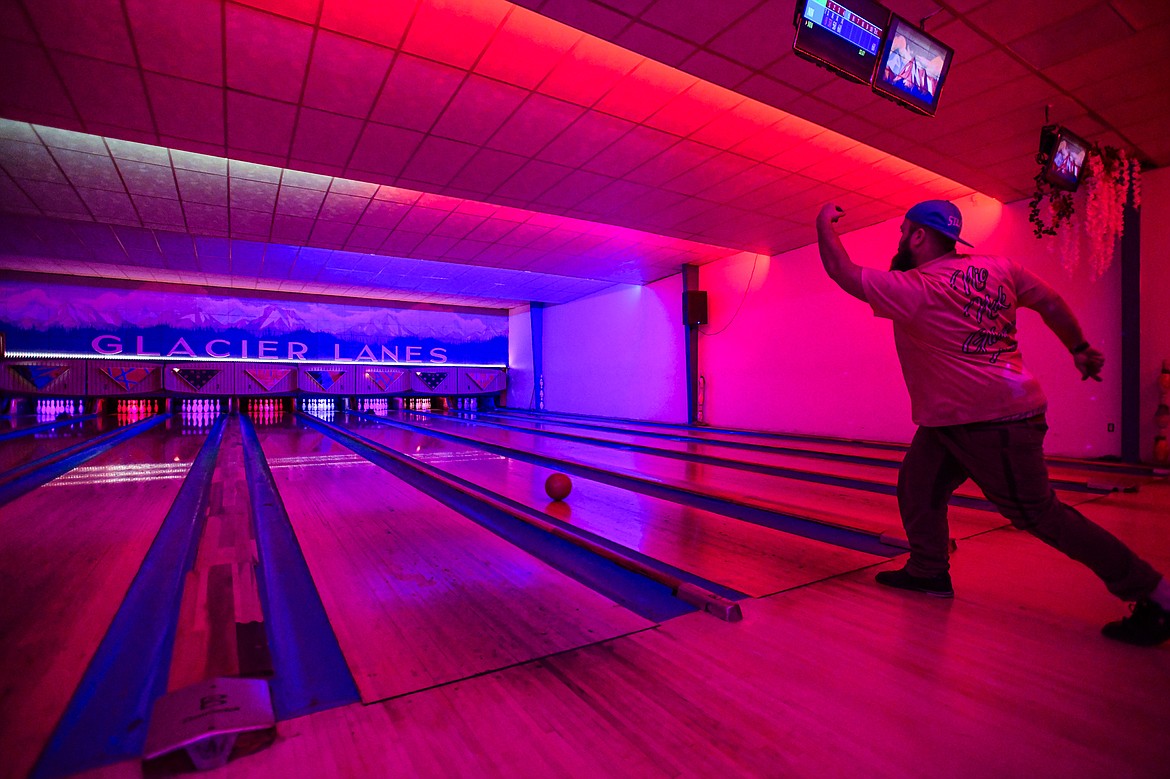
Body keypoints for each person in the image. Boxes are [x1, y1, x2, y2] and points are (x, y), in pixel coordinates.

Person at [814, 199, 1170, 646]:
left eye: (904, 231)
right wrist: (1077, 346)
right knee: (918, 486)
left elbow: (842, 272)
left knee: (1041, 515)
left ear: (919, 236)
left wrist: (822, 224)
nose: (901, 240)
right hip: (951, 420)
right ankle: (929, 572)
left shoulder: (916, 287)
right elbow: (1052, 302)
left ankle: (1155, 594)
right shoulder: (1000, 268)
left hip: (993, 419)